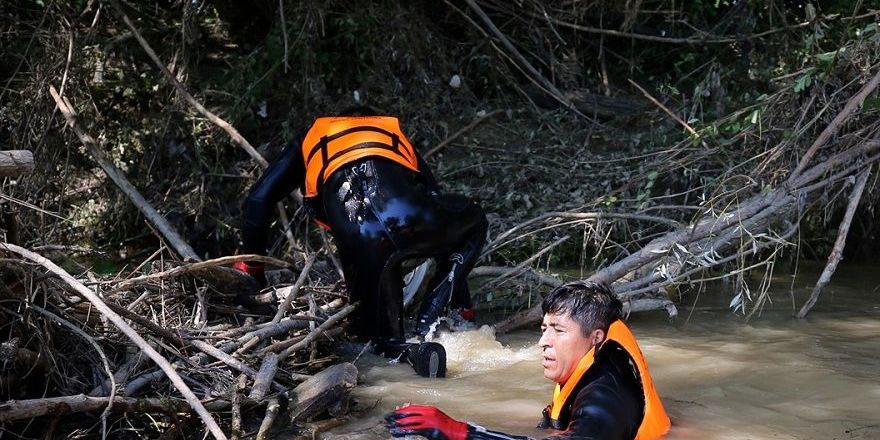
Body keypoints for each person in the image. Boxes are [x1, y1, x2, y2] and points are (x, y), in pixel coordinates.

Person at [234, 106, 488, 359]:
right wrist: (459, 301)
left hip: (365, 242)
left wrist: (252, 270)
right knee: (474, 221)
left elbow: (257, 202)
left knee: (378, 345)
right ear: (370, 118)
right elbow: (436, 201)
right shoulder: (388, 132)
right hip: (416, 220)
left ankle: (407, 347)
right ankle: (435, 314)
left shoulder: (313, 136)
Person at [384, 281, 671, 440]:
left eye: (558, 330)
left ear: (596, 337)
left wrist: (459, 431)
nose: (543, 341)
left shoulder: (604, 397)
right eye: (544, 329)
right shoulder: (595, 363)